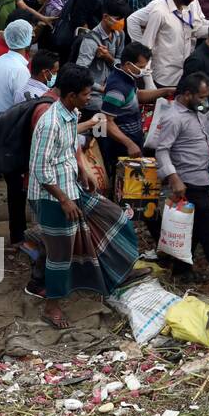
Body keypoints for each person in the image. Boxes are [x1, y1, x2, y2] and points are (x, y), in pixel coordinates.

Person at [24, 65, 142, 330]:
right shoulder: (49, 122)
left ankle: (115, 271)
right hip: (52, 198)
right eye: (87, 94)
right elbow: (41, 171)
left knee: (114, 218)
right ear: (71, 95)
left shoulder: (71, 113)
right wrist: (64, 200)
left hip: (72, 187)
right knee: (60, 255)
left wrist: (83, 170)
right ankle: (51, 307)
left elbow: (70, 146)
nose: (90, 98)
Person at [142, 72, 209, 295]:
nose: (205, 102)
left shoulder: (200, 109)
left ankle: (181, 271)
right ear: (187, 94)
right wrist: (174, 179)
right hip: (188, 182)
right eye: (201, 97)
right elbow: (162, 152)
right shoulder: (173, 118)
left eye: (206, 97)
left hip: (202, 179)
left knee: (194, 229)